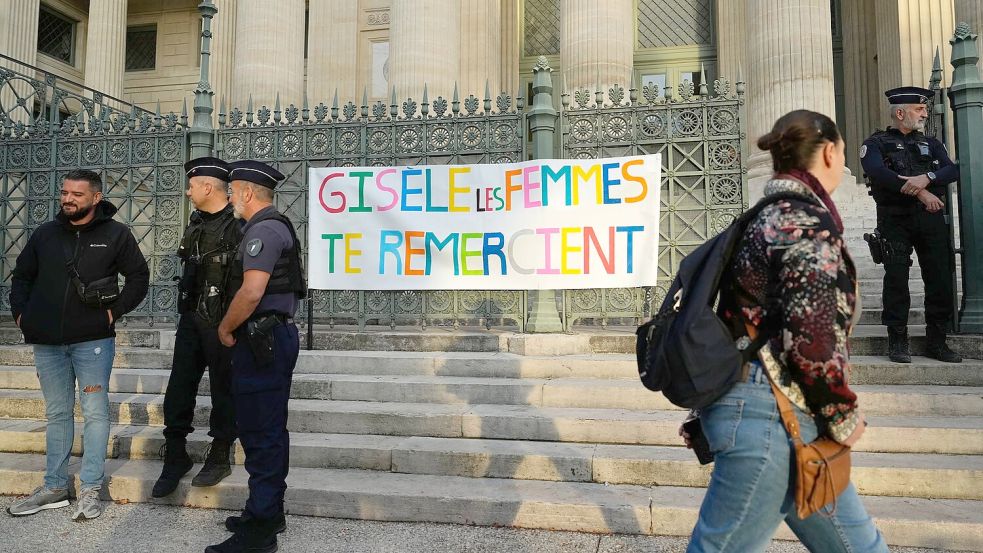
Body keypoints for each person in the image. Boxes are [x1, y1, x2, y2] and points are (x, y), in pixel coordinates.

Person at [683, 110, 888, 552]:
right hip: (774, 417)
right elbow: (811, 337)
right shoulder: (803, 224)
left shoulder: (761, 219)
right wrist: (841, 410)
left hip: (776, 413)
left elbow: (735, 321)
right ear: (830, 152)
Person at [6, 169, 149, 520]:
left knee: (96, 412)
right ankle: (54, 486)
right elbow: (22, 276)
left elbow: (139, 277)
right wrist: (21, 316)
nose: (68, 199)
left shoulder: (116, 234)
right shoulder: (44, 234)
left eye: (77, 194)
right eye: (65, 193)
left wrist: (114, 313)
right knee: (57, 413)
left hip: (93, 341)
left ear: (96, 198)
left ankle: (90, 488)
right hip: (48, 342)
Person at [207, 160, 306, 553]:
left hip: (261, 340)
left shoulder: (262, 230)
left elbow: (251, 293)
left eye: (232, 191)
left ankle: (260, 531)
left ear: (247, 193)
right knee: (266, 428)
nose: (229, 198)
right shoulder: (268, 226)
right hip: (270, 338)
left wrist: (225, 328)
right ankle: (266, 511)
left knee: (261, 433)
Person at [152, 157, 243, 498]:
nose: (187, 191)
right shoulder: (195, 223)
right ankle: (175, 454)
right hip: (192, 319)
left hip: (223, 321)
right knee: (179, 387)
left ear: (207, 187)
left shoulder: (238, 226)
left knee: (223, 388)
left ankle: (219, 453)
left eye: (191, 185)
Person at [860, 86, 961, 364]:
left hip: (929, 219)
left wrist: (926, 177)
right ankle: (898, 341)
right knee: (896, 279)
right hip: (895, 218)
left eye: (926, 109)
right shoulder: (876, 143)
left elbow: (951, 169)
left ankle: (937, 342)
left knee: (939, 277)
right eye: (919, 109)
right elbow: (879, 173)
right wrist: (922, 191)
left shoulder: (932, 143)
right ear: (900, 112)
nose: (925, 113)